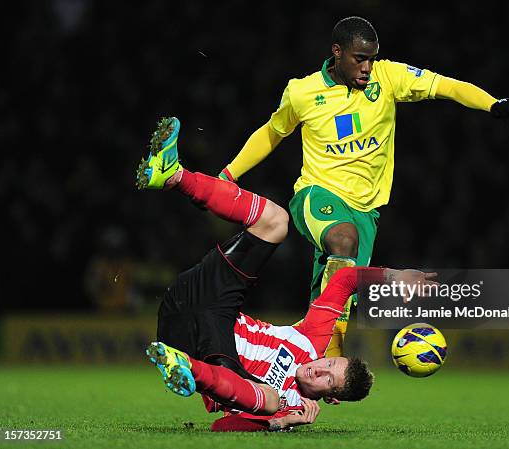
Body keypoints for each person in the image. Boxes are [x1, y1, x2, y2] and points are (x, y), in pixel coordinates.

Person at [217, 16, 509, 357]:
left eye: (372, 58)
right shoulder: (302, 91)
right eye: (359, 58)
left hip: (366, 210)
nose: (367, 66)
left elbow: (444, 85)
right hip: (316, 193)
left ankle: (309, 355)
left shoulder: (388, 77)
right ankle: (333, 351)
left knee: (342, 287)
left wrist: (491, 103)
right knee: (342, 240)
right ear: (337, 52)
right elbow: (273, 132)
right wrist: (229, 174)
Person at [136, 117, 438, 432]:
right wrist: (394, 276)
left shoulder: (293, 406)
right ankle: (174, 176)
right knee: (276, 221)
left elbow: (222, 427)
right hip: (206, 300)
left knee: (269, 399)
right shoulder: (312, 342)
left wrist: (279, 421)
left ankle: (185, 369)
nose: (319, 371)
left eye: (327, 381)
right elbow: (344, 281)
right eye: (329, 365)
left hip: (195, 347)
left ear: (329, 397)